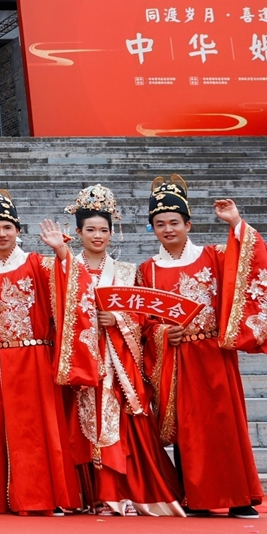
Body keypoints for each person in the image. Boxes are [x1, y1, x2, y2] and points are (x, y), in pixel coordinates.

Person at [137, 176, 267, 518]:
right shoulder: (148, 271)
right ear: (152, 229)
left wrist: (235, 223)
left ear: (188, 223)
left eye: (174, 222)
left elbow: (248, 262)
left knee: (224, 424)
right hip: (178, 357)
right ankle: (196, 497)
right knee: (188, 430)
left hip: (213, 353)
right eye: (160, 224)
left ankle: (239, 497)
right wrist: (161, 334)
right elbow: (142, 321)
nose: (168, 229)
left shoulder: (214, 256)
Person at [0, 189, 93, 515]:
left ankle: (55, 497)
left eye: (7, 227)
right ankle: (21, 498)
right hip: (0, 362)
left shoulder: (38, 263)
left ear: (18, 231)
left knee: (45, 431)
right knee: (15, 435)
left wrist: (63, 252)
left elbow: (71, 289)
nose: (1, 234)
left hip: (37, 358)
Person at [66, 185, 183, 516]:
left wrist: (116, 318)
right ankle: (93, 495)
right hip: (83, 360)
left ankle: (126, 493)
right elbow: (56, 315)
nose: (98, 236)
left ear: (112, 233)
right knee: (84, 423)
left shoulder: (128, 272)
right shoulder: (65, 270)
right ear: (78, 233)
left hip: (120, 360)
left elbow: (143, 320)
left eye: (104, 230)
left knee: (125, 421)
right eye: (90, 229)